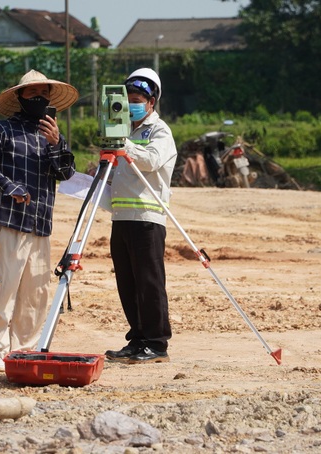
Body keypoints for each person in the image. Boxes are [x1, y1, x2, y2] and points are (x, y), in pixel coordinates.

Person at [0, 70, 78, 372]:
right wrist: (8, 185)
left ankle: (24, 349)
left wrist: (57, 143)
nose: (39, 99)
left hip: (41, 223)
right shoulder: (2, 130)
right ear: (19, 97)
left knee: (36, 291)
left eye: (43, 93)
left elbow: (66, 173)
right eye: (32, 94)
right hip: (10, 219)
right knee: (3, 286)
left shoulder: (52, 134)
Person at [104, 68, 178, 364]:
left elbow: (151, 161)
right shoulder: (123, 131)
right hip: (121, 217)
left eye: (137, 99)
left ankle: (157, 343)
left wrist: (125, 145)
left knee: (149, 282)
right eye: (128, 99)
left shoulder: (159, 131)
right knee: (128, 282)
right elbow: (116, 176)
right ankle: (137, 339)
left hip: (147, 217)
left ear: (151, 102)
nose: (131, 104)